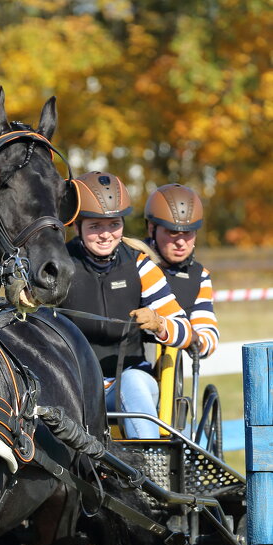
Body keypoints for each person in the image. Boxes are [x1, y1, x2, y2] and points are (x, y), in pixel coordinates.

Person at [61, 170, 193, 439]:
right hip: (72, 384)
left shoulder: (141, 265)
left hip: (130, 382)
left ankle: (150, 467)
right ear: (77, 226)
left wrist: (159, 323)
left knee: (131, 383)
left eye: (114, 225)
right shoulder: (60, 265)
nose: (106, 235)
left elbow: (186, 332)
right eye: (95, 226)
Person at [144, 183, 219, 358]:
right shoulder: (134, 263)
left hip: (170, 371)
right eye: (172, 232)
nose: (181, 242)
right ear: (151, 228)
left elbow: (208, 334)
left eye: (188, 233)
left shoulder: (200, 276)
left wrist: (196, 340)